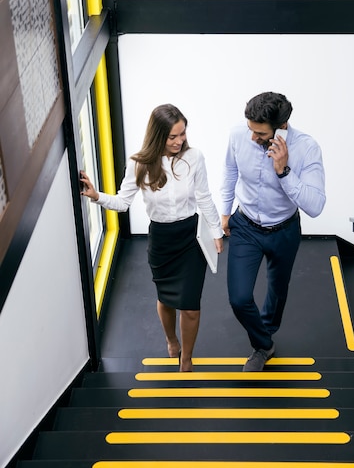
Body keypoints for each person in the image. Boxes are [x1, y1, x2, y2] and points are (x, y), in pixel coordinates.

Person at [80, 104, 223, 372]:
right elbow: (123, 202)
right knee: (166, 299)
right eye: (172, 137)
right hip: (161, 240)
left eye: (182, 134)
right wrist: (96, 196)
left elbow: (204, 197)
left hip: (190, 237)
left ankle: (187, 358)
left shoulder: (194, 157)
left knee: (190, 306)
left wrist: (216, 232)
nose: (179, 141)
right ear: (158, 136)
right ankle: (171, 340)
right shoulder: (140, 163)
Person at [221, 91, 325, 372]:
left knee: (278, 290)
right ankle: (264, 345)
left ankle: (264, 337)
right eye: (250, 129)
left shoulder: (307, 148)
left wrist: (284, 171)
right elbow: (230, 171)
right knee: (239, 298)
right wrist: (225, 211)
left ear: (281, 127)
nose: (253, 137)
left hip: (284, 230)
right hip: (245, 227)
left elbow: (315, 206)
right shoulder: (238, 135)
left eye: (260, 133)